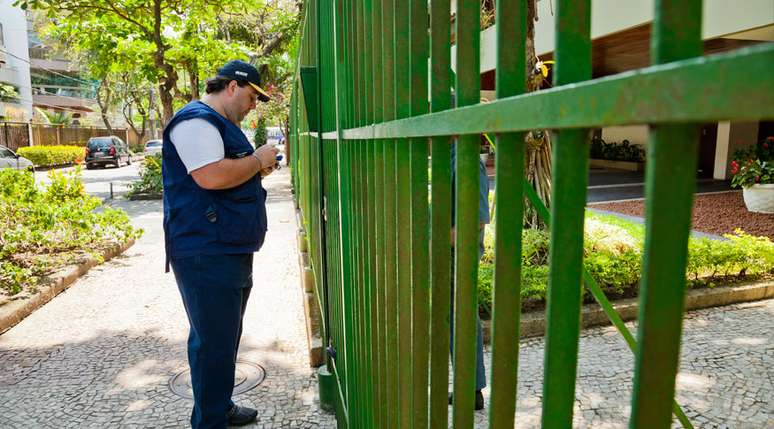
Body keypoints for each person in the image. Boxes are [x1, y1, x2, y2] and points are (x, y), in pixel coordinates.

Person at [162, 60, 279, 428]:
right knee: (213, 342)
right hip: (205, 251)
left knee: (223, 337)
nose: (254, 105)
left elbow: (228, 171)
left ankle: (220, 406)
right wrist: (257, 159)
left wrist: (258, 166)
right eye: (252, 96)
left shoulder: (221, 123)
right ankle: (210, 421)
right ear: (232, 87)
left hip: (225, 246)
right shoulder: (196, 120)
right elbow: (211, 176)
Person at [449, 142, 490, 411]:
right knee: (455, 319)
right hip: (450, 251)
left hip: (459, 253)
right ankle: (468, 386)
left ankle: (472, 388)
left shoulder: (467, 160)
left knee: (461, 317)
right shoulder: (450, 156)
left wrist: (444, 237)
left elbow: (477, 216)